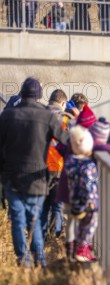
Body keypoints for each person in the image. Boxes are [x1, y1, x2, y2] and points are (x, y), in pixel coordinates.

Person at [0, 78, 69, 268]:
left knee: (17, 220)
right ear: (39, 96)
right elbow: (65, 140)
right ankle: (40, 260)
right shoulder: (47, 117)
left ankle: (23, 260)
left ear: (21, 94)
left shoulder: (7, 116)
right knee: (34, 221)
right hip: (37, 179)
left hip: (11, 178)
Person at [64, 126, 99, 262]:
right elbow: (87, 186)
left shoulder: (71, 162)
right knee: (89, 225)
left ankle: (80, 250)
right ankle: (82, 251)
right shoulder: (88, 167)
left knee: (79, 227)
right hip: (88, 202)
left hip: (74, 200)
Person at [40, 89, 70, 240]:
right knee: (57, 205)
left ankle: (42, 236)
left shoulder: (39, 114)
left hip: (39, 167)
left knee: (43, 206)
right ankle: (55, 236)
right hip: (57, 168)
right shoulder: (65, 118)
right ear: (63, 103)